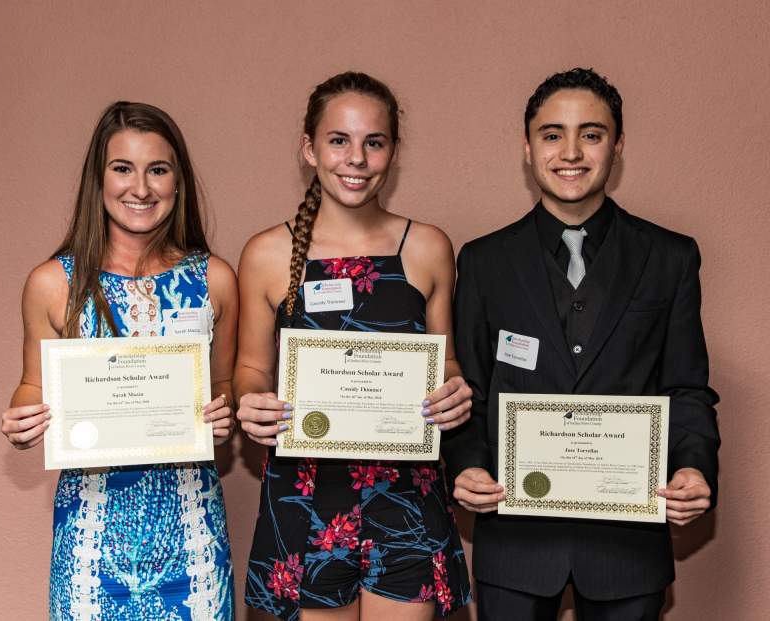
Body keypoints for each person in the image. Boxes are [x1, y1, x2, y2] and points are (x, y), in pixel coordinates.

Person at [442, 68, 720, 620]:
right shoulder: (483, 261)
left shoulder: (670, 257)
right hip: (514, 544)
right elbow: (467, 385)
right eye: (552, 134)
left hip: (628, 547)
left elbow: (686, 385)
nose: (571, 151)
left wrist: (694, 466)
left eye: (591, 134)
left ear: (617, 146)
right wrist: (464, 466)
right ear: (527, 147)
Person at [235, 72, 472, 620]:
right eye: (339, 140)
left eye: (374, 141)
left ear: (393, 150)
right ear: (309, 149)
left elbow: (447, 358)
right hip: (307, 494)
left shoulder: (428, 247)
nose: (356, 159)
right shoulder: (267, 253)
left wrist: (454, 390)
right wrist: (253, 402)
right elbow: (249, 368)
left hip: (407, 496)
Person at [0, 101, 238, 620]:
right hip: (91, 535)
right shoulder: (52, 282)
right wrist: (22, 416)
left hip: (192, 532)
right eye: (122, 168)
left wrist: (224, 413)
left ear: (178, 181)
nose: (141, 188)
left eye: (158, 169)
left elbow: (224, 386)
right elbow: (31, 385)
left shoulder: (215, 278)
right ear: (98, 179)